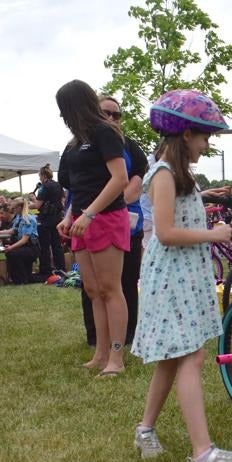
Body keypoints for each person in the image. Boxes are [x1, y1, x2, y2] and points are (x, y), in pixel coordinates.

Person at [131, 89, 232, 462]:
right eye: (204, 137)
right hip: (170, 277)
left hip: (180, 275)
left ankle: (145, 430)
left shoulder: (176, 174)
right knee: (191, 355)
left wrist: (205, 196)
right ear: (185, 135)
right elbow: (166, 232)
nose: (206, 144)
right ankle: (203, 455)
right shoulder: (164, 173)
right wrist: (214, 234)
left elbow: (178, 209)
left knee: (173, 358)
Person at [56, 79, 129, 377]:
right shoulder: (74, 143)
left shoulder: (104, 132)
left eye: (64, 110)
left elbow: (119, 178)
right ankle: (100, 354)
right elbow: (79, 186)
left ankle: (116, 359)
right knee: (93, 290)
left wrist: (88, 214)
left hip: (106, 218)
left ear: (75, 106)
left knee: (111, 289)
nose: (62, 117)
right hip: (82, 220)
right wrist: (70, 214)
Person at [81, 95, 148, 347]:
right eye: (105, 113)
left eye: (116, 114)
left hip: (125, 223)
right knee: (93, 285)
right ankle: (96, 337)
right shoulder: (84, 146)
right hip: (90, 221)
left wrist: (108, 207)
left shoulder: (130, 147)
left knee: (126, 281)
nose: (111, 118)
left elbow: (134, 184)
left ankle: (127, 336)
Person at [29, 164, 66, 277]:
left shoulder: (43, 187)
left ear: (43, 175)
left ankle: (45, 270)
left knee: (44, 245)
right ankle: (60, 268)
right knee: (57, 245)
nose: (39, 178)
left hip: (45, 219)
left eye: (40, 175)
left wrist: (30, 202)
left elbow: (37, 205)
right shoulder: (58, 185)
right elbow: (62, 202)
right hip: (57, 218)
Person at [0, 197, 39, 284]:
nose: (12, 210)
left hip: (32, 248)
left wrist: (11, 247)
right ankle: (18, 278)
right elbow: (12, 230)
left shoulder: (28, 219)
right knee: (11, 253)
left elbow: (24, 240)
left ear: (20, 208)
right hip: (25, 247)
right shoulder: (18, 217)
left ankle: (21, 280)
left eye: (14, 208)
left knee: (13, 253)